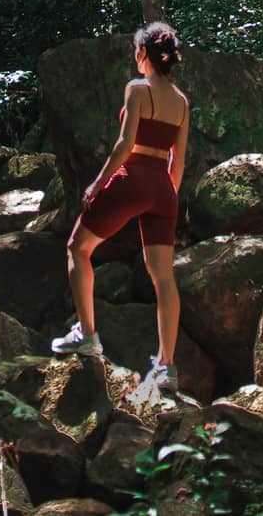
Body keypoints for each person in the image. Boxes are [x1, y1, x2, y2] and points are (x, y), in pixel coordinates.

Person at [51, 22, 190, 394]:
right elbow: (178, 164)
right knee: (163, 277)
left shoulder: (137, 89)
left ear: (144, 54)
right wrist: (164, 199)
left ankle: (88, 336)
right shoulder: (181, 102)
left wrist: (97, 184)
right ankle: (167, 367)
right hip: (163, 188)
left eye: (136, 51)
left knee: (77, 249)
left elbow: (124, 145)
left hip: (133, 178)